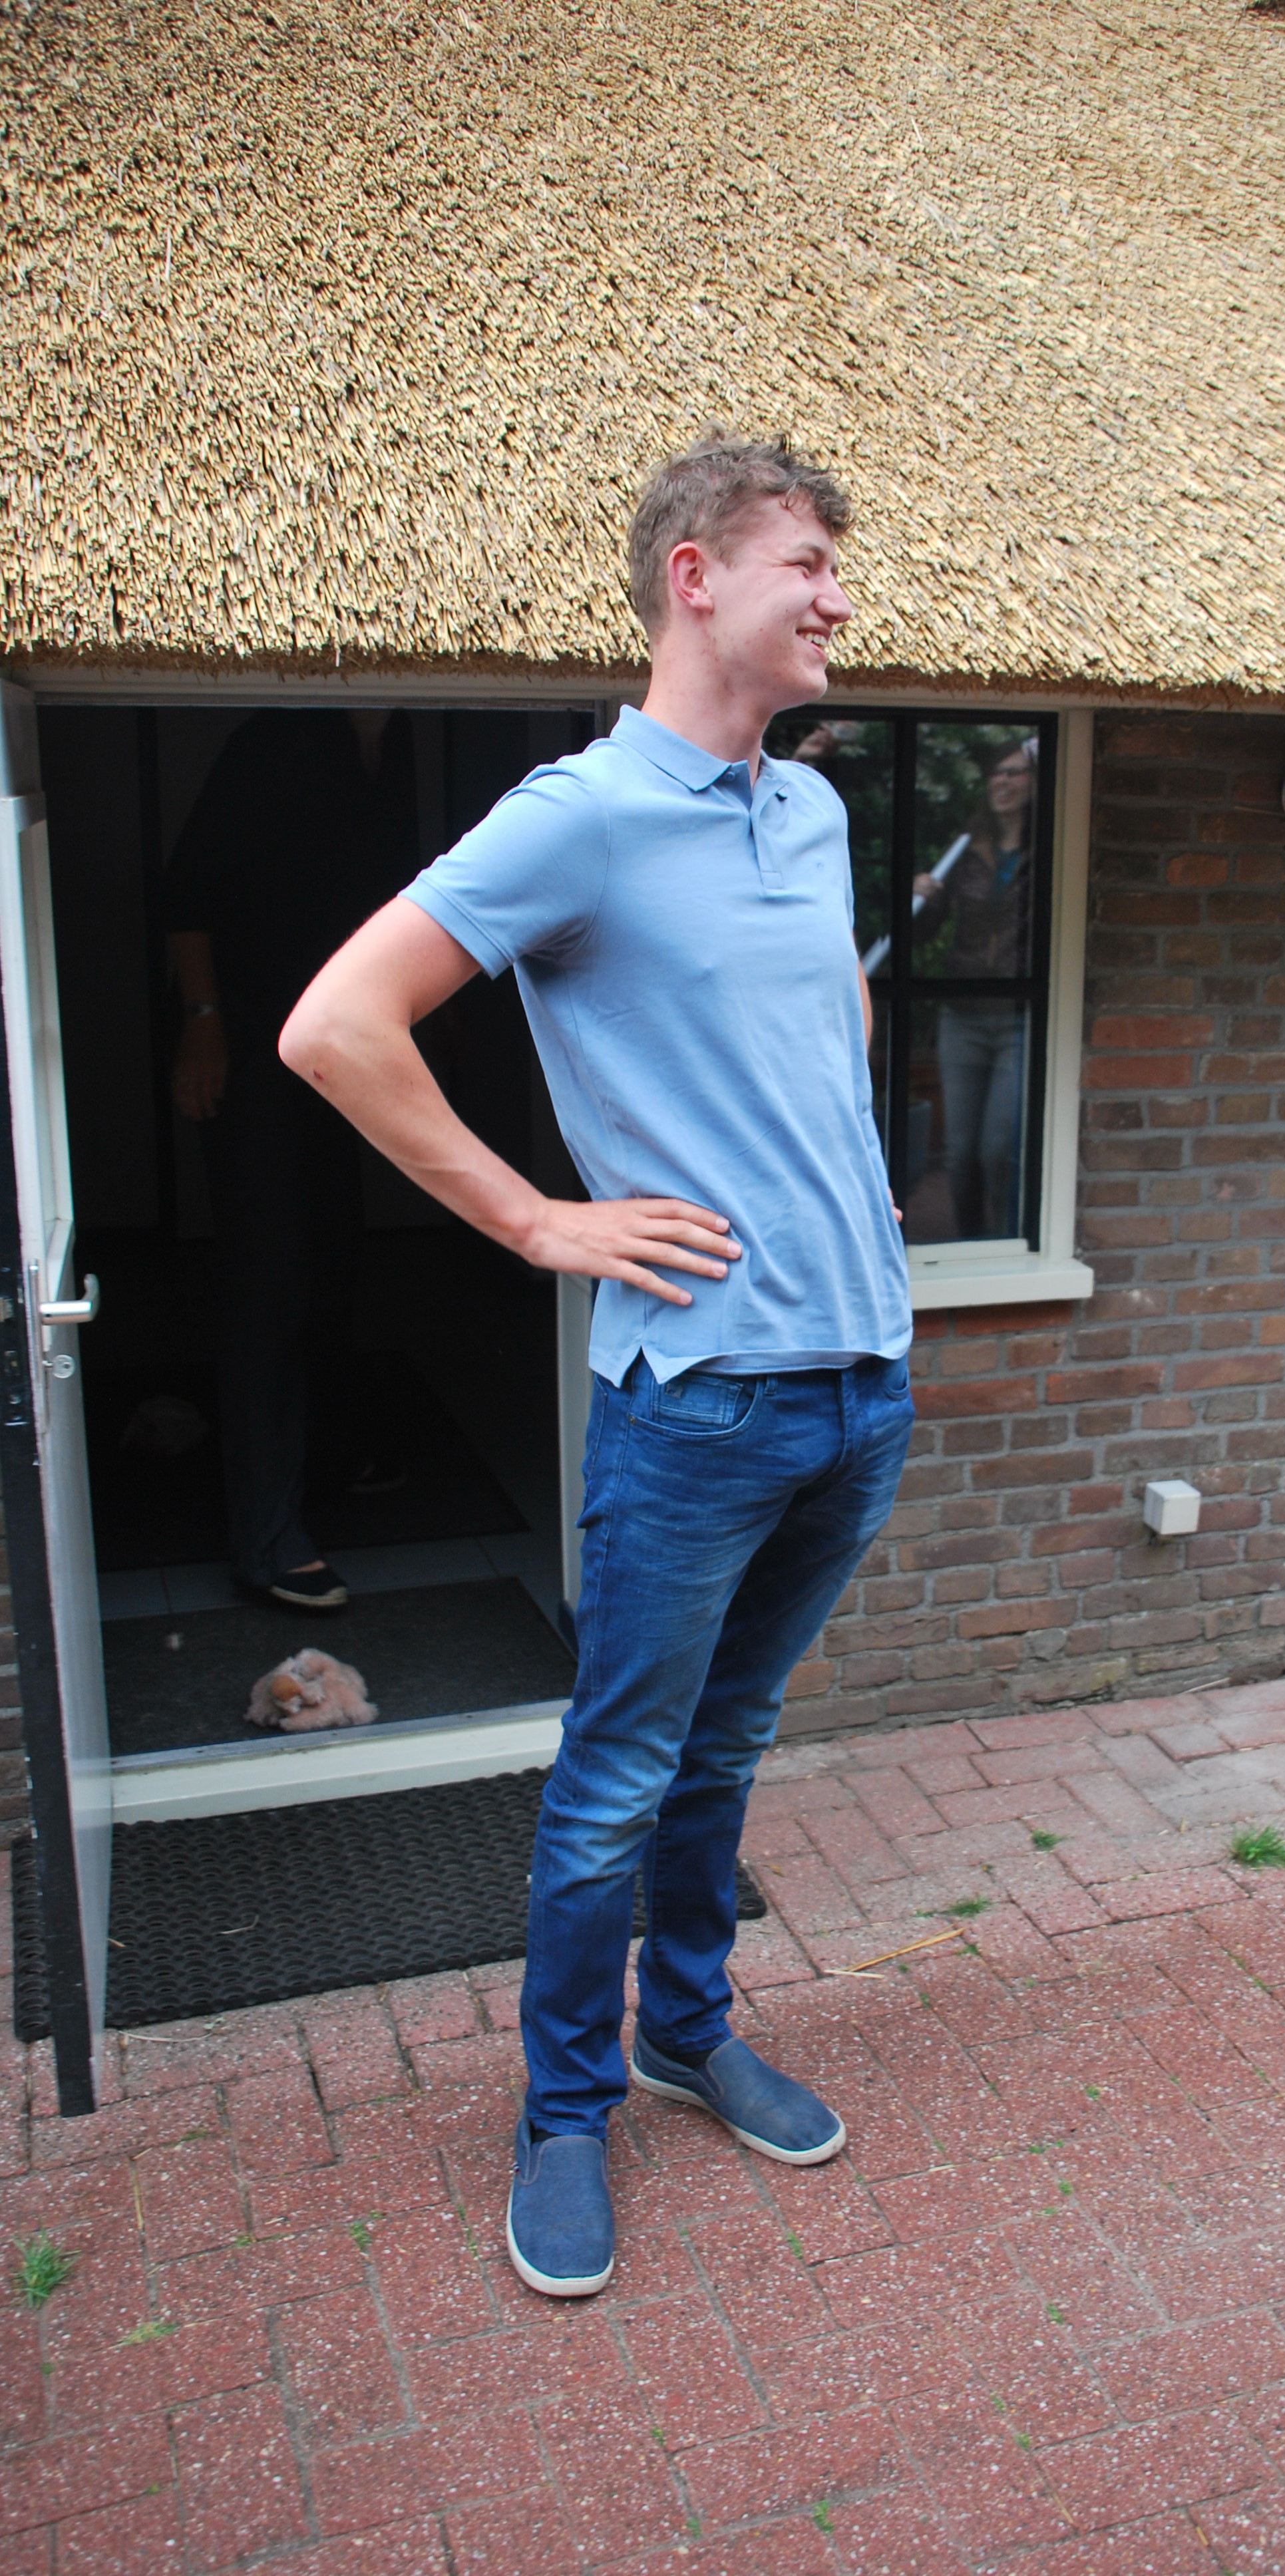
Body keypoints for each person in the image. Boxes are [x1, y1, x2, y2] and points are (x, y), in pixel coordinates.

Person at [279, 434, 914, 2297]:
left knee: (729, 1743)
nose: (839, 596)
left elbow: (830, 1023)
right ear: (695, 577)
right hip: (699, 1404)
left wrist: (844, 1195)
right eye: (808, 562)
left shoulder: (813, 812)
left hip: (861, 1383)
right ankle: (565, 2114)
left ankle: (687, 2031)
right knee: (620, 1775)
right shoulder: (580, 815)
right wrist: (539, 1223)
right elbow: (336, 1026)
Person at [166, 708, 419, 1607]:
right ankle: (266, 1537)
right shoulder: (276, 740)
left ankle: (329, 1457)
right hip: (251, 1041)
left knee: (334, 1253)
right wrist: (204, 1026)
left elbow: (395, 899)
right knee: (268, 1278)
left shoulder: (394, 746)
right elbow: (186, 895)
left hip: (339, 1050)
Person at [913, 739, 1035, 1238]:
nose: (1003, 782)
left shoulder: (1050, 849)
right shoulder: (966, 850)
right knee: (960, 1152)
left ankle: (1005, 1243)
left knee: (998, 1149)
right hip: (963, 1016)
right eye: (996, 774)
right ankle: (969, 1243)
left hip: (1017, 1018)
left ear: (1036, 782)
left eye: (1015, 772)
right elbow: (922, 933)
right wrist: (922, 897)